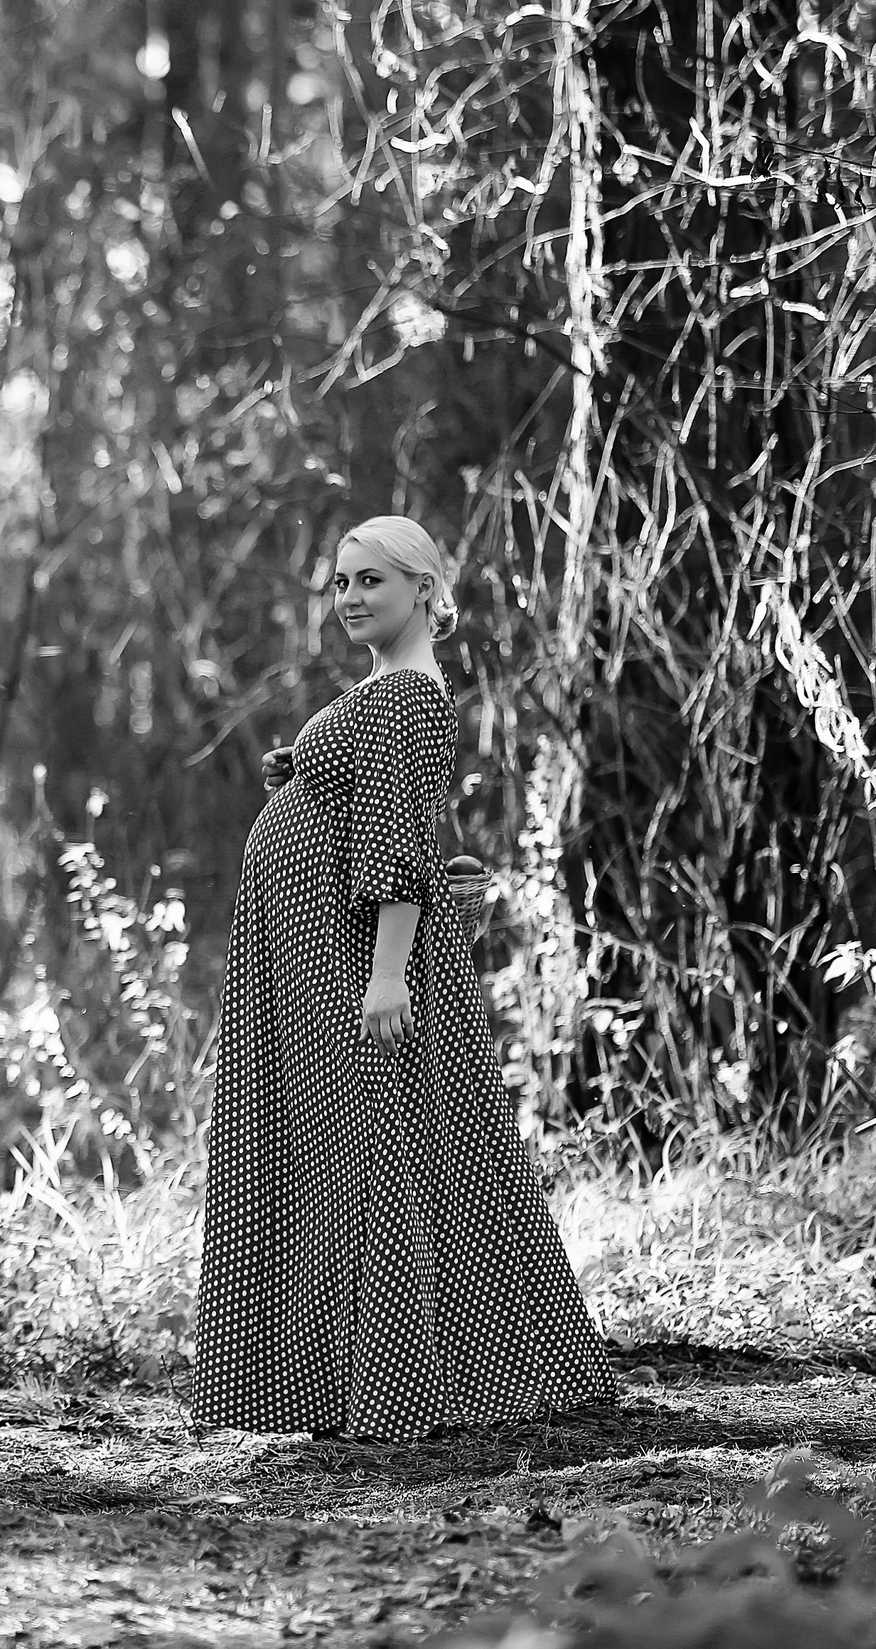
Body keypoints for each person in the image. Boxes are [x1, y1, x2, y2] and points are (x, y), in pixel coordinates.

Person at [192, 515, 614, 1439]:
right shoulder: (391, 691)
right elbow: (402, 820)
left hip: (341, 956)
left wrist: (390, 977)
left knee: (365, 1155)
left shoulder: (411, 698)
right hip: (303, 946)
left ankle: (391, 1386)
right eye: (340, 584)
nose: (349, 599)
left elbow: (388, 848)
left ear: (424, 588)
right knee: (336, 1153)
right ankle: (339, 1382)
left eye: (370, 581)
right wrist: (305, 771)